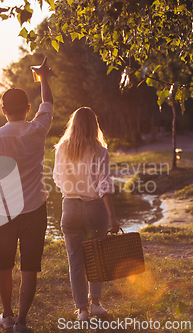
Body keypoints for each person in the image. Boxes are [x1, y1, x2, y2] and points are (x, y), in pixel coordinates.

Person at [0, 57, 52, 333]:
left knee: (4, 264)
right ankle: (21, 322)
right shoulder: (38, 128)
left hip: (4, 209)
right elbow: (47, 103)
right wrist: (43, 77)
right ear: (27, 109)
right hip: (35, 209)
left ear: (2, 111)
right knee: (29, 267)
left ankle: (7, 316)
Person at [52, 107, 120, 321]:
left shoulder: (62, 148)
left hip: (70, 207)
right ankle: (96, 303)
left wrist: (71, 188)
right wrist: (112, 216)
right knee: (96, 256)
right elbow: (104, 185)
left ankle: (81, 310)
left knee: (75, 260)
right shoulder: (100, 150)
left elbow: (56, 178)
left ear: (73, 124)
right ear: (94, 125)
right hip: (94, 208)